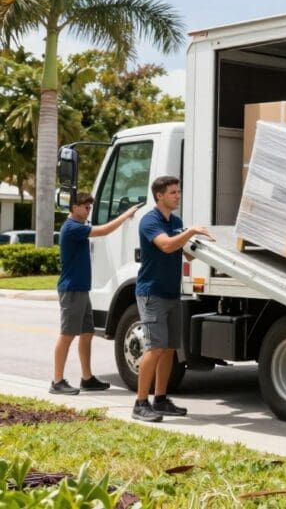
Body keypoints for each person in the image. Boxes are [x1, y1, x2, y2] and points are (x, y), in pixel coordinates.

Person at [132, 176, 213, 422]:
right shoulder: (150, 221)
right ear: (159, 196)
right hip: (151, 294)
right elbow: (166, 246)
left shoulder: (176, 221)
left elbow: (185, 254)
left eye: (178, 192)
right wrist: (189, 232)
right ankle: (140, 403)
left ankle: (160, 399)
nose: (177, 196)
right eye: (172, 192)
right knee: (154, 348)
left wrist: (206, 248)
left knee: (169, 350)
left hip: (171, 293)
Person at [50, 192, 140, 395]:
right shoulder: (72, 228)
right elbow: (105, 230)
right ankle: (57, 381)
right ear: (73, 208)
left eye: (90, 207)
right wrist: (126, 215)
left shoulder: (78, 227)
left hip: (81, 290)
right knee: (67, 335)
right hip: (71, 290)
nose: (88, 210)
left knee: (87, 333)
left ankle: (87, 378)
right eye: (85, 207)